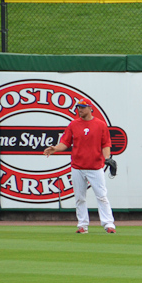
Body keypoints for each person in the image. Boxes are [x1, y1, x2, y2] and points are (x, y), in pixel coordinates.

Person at [43, 98, 116, 234]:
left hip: (95, 167)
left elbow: (105, 143)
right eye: (78, 107)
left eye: (82, 107)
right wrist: (55, 148)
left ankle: (109, 224)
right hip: (78, 166)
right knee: (79, 197)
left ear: (90, 108)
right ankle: (82, 225)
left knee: (102, 196)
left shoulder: (100, 125)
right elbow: (65, 142)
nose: (80, 109)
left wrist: (107, 158)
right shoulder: (74, 124)